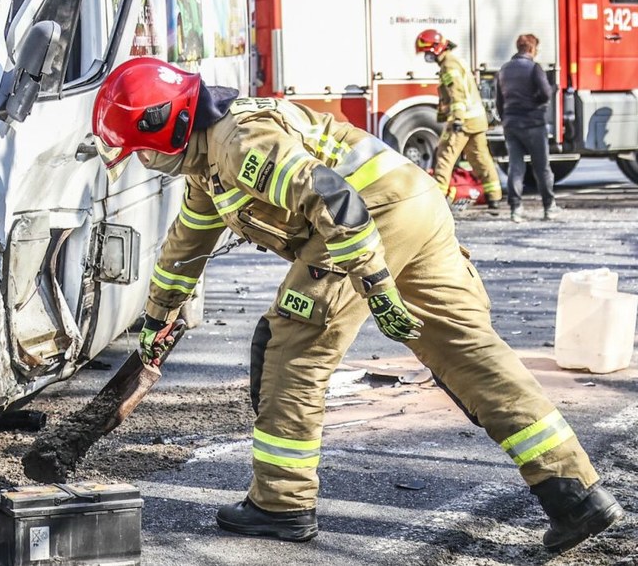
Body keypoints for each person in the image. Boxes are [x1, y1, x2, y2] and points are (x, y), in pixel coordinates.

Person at [92, 57, 622, 553]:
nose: (146, 162)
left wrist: (375, 284)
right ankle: (575, 494)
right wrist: (158, 319)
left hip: (368, 218)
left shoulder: (239, 142)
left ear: (167, 125)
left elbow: (336, 201)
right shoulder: (209, 162)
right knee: (467, 351)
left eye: (143, 149)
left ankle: (280, 503)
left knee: (292, 346)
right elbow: (185, 246)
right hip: (414, 204)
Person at [416, 29, 503, 211]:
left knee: (444, 157)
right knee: (480, 158)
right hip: (477, 120)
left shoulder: (449, 65)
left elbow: (457, 94)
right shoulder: (455, 60)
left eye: (428, 52)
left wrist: (457, 120)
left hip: (463, 121)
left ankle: (437, 201)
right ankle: (494, 197)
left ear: (437, 49)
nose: (427, 56)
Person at [496, 34, 560, 222]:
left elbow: (500, 101)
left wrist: (505, 117)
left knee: (516, 167)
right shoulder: (534, 68)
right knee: (542, 168)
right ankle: (549, 207)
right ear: (532, 49)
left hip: (511, 124)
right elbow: (546, 94)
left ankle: (516, 209)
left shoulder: (504, 70)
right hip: (533, 124)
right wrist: (545, 97)